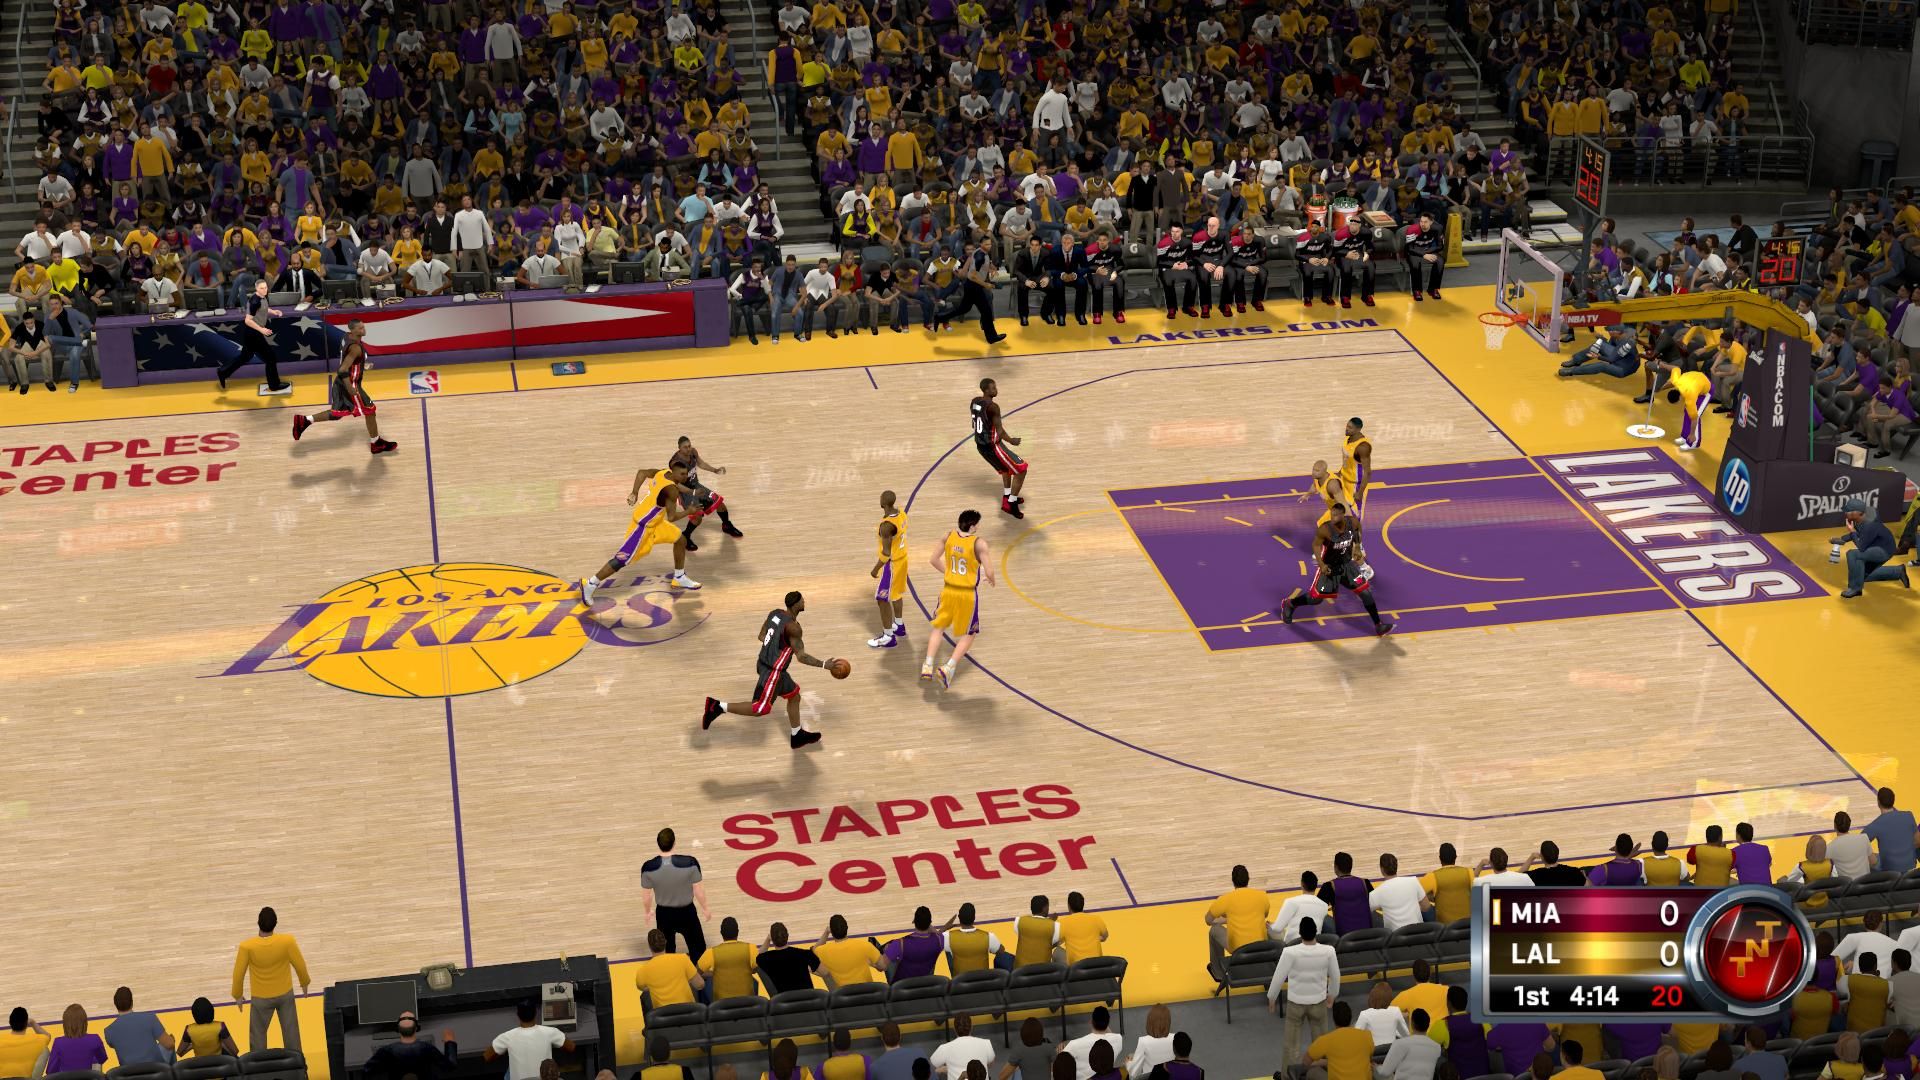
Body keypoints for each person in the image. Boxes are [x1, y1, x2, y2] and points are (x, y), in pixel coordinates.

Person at [702, 591, 835, 748]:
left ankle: (797, 735)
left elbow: (761, 635)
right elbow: (801, 657)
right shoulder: (794, 628)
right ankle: (717, 706)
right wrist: (824, 664)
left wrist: (776, 644)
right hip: (773, 672)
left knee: (794, 696)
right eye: (802, 600)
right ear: (795, 605)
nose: (804, 602)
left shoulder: (775, 613)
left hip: (763, 663)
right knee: (760, 708)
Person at [581, 459, 702, 604]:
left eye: (686, 474)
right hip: (643, 527)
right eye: (682, 474)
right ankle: (590, 584)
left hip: (655, 522)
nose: (685, 477)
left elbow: (642, 473)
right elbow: (671, 517)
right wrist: (689, 511)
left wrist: (634, 492)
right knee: (621, 560)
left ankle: (679, 577)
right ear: (674, 472)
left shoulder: (662, 473)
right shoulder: (671, 491)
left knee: (680, 539)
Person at [1281, 502, 1394, 636]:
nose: (1333, 517)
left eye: (1336, 515)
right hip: (1329, 567)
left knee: (1365, 592)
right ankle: (1290, 604)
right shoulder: (1325, 529)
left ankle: (1379, 625)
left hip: (1347, 565)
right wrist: (1321, 564)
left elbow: (1358, 530)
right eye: (1332, 515)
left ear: (1343, 515)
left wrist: (1357, 546)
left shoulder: (1352, 522)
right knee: (1315, 599)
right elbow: (1316, 546)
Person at [291, 322, 396, 453]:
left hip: (340, 382)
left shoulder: (346, 337)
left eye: (363, 327)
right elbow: (342, 369)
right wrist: (350, 387)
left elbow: (348, 360)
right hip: (350, 384)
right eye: (360, 328)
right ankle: (376, 444)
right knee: (370, 410)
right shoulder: (355, 348)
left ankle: (305, 420)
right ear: (352, 330)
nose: (364, 330)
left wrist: (361, 365)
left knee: (337, 414)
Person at [922, 510, 996, 689]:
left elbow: (933, 560)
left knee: (938, 628)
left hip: (948, 590)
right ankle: (948, 668)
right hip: (967, 594)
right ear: (972, 526)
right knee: (970, 633)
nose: (978, 526)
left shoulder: (948, 536)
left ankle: (927, 666)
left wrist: (949, 573)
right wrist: (991, 580)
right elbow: (989, 571)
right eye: (977, 524)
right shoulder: (979, 543)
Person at [232, 906, 309, 1053]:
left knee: (258, 1037)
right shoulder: (287, 941)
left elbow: (238, 974)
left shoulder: (247, 946)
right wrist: (304, 982)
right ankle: (297, 1063)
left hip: (260, 998)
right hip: (285, 994)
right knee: (291, 1034)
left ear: (258, 923)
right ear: (276, 923)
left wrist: (237, 995)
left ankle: (258, 1066)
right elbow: (300, 965)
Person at [1267, 917, 1340, 1067]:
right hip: (1318, 1002)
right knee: (1321, 1045)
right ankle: (1322, 1073)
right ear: (1316, 932)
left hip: (1295, 1003)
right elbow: (1335, 976)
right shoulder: (1328, 951)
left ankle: (1289, 1075)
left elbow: (1278, 977)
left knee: (1291, 1046)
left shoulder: (1289, 952)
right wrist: (1332, 994)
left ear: (1300, 933)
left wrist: (1272, 997)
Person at [642, 827, 711, 957]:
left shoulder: (648, 867)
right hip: (687, 912)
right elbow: (698, 890)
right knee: (698, 948)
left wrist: (647, 911)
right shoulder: (690, 862)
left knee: (667, 952)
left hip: (664, 914)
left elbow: (647, 896)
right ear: (674, 843)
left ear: (658, 844)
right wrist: (705, 908)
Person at [668, 435, 745, 552]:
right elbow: (676, 484)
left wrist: (715, 470)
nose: (688, 449)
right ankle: (685, 536)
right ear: (679, 448)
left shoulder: (693, 452)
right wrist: (693, 492)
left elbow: (701, 463)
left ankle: (726, 525)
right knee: (697, 517)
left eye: (689, 446)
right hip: (685, 492)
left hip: (696, 486)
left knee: (720, 503)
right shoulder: (675, 463)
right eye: (685, 447)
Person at [216, 278, 292, 394]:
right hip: (254, 334)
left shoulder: (262, 297)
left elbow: (263, 308)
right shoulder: (255, 301)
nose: (265, 290)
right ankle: (274, 385)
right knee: (270, 358)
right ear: (256, 288)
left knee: (245, 357)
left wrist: (273, 311)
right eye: (262, 288)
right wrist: (261, 329)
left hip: (251, 333)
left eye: (266, 287)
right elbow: (247, 320)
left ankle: (223, 372)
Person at [971, 378, 1030, 517]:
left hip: (980, 445)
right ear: (986, 390)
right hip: (993, 446)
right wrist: (1012, 440)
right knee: (1021, 469)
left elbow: (975, 422)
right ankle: (1012, 504)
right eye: (993, 388)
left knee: (1005, 469)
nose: (996, 390)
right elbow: (1000, 431)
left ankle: (1007, 497)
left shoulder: (975, 401)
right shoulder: (993, 407)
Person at [1205, 865, 1274, 979]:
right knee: (1270, 925)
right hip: (1261, 946)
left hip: (1238, 950)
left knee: (1214, 930)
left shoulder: (1225, 899)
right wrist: (1233, 918)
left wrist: (1227, 919)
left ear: (1233, 881)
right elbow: (1264, 915)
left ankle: (1218, 973)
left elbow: (1208, 920)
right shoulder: (1262, 896)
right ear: (1248, 879)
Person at [1828, 502, 1908, 597]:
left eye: (1848, 511)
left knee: (1853, 554)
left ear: (1858, 513)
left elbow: (1861, 547)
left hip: (1884, 550)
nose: (1846, 513)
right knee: (1861, 575)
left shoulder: (1871, 525)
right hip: (1876, 546)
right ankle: (1898, 571)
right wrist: (1842, 539)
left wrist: (1852, 531)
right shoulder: (1860, 519)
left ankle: (1855, 589)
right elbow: (1860, 533)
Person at [934, 243, 1006, 345]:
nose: (970, 251)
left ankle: (940, 317)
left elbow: (991, 269)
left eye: (972, 249)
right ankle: (991, 336)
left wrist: (990, 268)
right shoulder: (963, 260)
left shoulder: (981, 257)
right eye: (968, 249)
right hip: (969, 286)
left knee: (965, 309)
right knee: (984, 310)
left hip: (976, 286)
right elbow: (962, 275)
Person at [484, 1000, 575, 1077]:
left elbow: (487, 1056)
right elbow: (571, 1047)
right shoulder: (550, 1032)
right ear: (536, 1013)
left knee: (508, 1072)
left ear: (518, 1015)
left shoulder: (507, 1037)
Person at [869, 489, 911, 648]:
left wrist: (875, 569)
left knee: (882, 599)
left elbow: (886, 553)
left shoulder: (886, 526)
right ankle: (899, 626)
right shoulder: (902, 514)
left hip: (892, 564)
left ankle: (888, 637)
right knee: (896, 594)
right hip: (902, 560)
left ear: (883, 503)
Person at [363, 1013, 458, 1080]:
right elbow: (449, 1066)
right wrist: (450, 1042)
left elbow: (367, 1070)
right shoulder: (426, 1048)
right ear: (416, 1029)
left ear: (398, 1030)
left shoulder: (387, 1050)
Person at [104, 988, 176, 1066]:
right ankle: (173, 1072)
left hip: (128, 1071)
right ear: (132, 1002)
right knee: (170, 1040)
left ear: (115, 1004)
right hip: (155, 1068)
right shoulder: (150, 1018)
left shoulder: (108, 1031)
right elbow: (169, 1045)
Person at [1305, 1001, 1375, 1080]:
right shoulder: (1366, 1035)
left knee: (1312, 1072)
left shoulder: (1326, 1040)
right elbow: (1369, 1058)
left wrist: (1325, 1062)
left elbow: (1306, 1061)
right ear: (1351, 1017)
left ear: (1334, 1019)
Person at [756, 923, 822, 994]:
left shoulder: (765, 959)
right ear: (787, 935)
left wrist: (768, 939)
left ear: (772, 939)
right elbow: (825, 973)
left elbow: (759, 955)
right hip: (809, 998)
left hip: (784, 999)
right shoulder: (805, 953)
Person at [1370, 854, 1430, 931]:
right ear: (1396, 866)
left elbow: (1364, 912)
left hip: (1396, 935)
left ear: (1382, 869)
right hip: (1418, 932)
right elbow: (1426, 906)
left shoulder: (1377, 893)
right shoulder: (1413, 881)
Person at [1864, 788, 1919, 872]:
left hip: (1889, 869)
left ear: (1878, 802)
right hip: (1910, 865)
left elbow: (1859, 845)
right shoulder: (1908, 815)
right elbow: (1918, 841)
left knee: (1870, 858)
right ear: (1893, 800)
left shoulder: (1876, 824)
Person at [1557, 325, 1640, 380]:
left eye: (1611, 330)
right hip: (1620, 359)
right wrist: (1602, 339)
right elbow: (1610, 347)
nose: (1609, 332)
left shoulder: (1628, 343)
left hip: (1624, 369)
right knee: (1600, 344)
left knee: (1601, 366)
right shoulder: (1616, 337)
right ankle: (1576, 361)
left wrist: (1597, 356)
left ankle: (1572, 371)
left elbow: (1611, 359)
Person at [1381, 1010, 1444, 1080]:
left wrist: (1376, 1068)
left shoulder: (1400, 1043)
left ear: (1412, 1024)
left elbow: (1385, 1072)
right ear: (1428, 1025)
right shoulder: (1437, 1047)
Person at [1664, 365, 1714, 452]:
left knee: (1695, 414)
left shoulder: (1689, 398)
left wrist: (1692, 434)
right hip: (1698, 380)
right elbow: (1676, 369)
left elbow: (1694, 418)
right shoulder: (1675, 381)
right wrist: (1662, 365)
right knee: (1688, 412)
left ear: (1679, 398)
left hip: (1706, 390)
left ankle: (1693, 443)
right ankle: (1684, 437)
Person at [45, 1005, 107, 1075]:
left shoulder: (58, 1042)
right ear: (85, 1022)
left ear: (65, 1024)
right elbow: (102, 1059)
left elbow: (50, 1070)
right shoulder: (95, 1039)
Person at [1063, 1008, 1122, 1080]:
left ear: (1091, 1022)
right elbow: (1111, 1035)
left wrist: (1066, 1044)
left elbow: (1060, 1065)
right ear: (1108, 1023)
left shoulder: (1073, 1045)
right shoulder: (1118, 1039)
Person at [929, 1015, 995, 1077]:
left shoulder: (944, 1048)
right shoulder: (986, 1043)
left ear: (954, 1029)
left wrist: (947, 1069)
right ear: (971, 1027)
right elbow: (989, 1065)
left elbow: (930, 1068)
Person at [4, 310, 52, 392]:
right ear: (24, 322)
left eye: (31, 322)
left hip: (41, 345)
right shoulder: (19, 328)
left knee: (47, 353)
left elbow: (48, 344)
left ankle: (49, 381)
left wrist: (35, 353)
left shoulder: (41, 325)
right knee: (18, 358)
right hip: (27, 346)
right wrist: (24, 353)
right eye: (27, 323)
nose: (30, 325)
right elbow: (11, 347)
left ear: (34, 320)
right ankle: (24, 383)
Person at [1121, 1006, 1174, 1080]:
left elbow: (1134, 1072)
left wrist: (1127, 1063)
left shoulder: (1143, 1041)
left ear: (1150, 1022)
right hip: (1170, 1077)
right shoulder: (1175, 1038)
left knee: (1130, 1057)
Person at [1059, 891, 1109, 965]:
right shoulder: (1096, 919)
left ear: (1068, 906)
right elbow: (1105, 936)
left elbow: (1054, 943)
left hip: (1076, 968)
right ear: (1083, 904)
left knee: (1057, 952)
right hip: (1097, 966)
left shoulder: (1062, 923)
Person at [1405, 213, 1445, 300]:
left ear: (1431, 222)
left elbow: (1440, 246)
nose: (1422, 224)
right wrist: (1423, 255)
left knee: (1440, 261)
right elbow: (1409, 248)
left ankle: (1433, 289)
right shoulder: (1413, 229)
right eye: (1421, 221)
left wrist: (1427, 252)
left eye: (1425, 222)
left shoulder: (1438, 228)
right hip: (1414, 251)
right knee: (1415, 264)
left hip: (1428, 249)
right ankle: (1417, 290)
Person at [1336, 225, 1376, 308]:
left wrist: (1367, 253)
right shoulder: (1341, 234)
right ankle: (1345, 296)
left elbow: (1371, 247)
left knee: (1371, 266)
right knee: (1346, 268)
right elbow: (1335, 250)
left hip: (1358, 254)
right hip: (1343, 255)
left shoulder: (1365, 233)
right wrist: (1346, 254)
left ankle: (1367, 295)